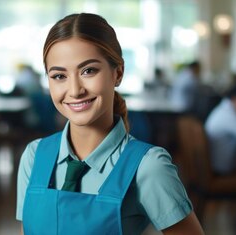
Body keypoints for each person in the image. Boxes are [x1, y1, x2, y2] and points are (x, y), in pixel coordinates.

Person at [16, 13, 203, 234]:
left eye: (89, 71)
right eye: (59, 76)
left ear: (118, 73)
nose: (75, 90)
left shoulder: (148, 167)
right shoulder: (34, 157)